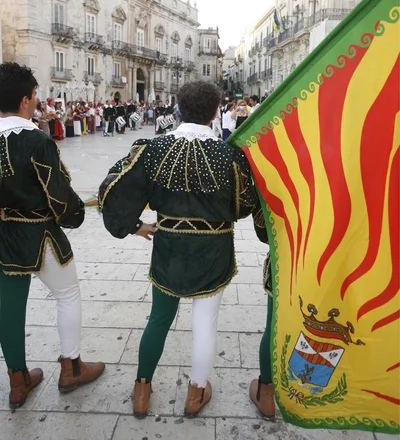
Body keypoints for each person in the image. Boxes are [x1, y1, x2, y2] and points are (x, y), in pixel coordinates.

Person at [99, 81, 259, 419]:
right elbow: (244, 205)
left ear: (179, 108)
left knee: (158, 318)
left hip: (169, 246)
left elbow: (113, 188)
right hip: (213, 250)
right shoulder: (229, 154)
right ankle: (195, 393)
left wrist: (133, 225)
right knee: (205, 324)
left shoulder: (153, 148)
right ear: (216, 111)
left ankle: (142, 388)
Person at [0, 62, 105, 411]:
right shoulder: (36, 140)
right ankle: (71, 367)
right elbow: (59, 198)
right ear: (27, 100)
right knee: (67, 294)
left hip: (2, 236)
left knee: (9, 309)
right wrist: (76, 213)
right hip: (39, 235)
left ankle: (18, 382)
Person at [249, 205, 275, 418]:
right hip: (338, 265)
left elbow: (264, 230)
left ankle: (266, 394)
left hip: (290, 262)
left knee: (274, 327)